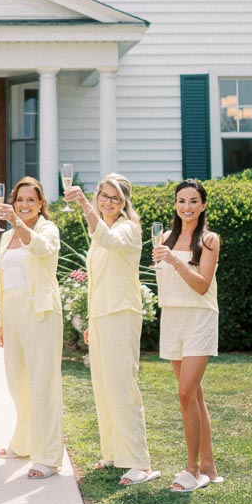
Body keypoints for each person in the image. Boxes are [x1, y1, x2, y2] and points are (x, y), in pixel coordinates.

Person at [66, 176, 158, 486]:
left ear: (124, 203)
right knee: (103, 385)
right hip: (103, 315)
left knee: (122, 385)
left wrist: (81, 205)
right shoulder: (101, 231)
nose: (107, 202)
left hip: (122, 313)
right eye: (102, 196)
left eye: (114, 198)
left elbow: (108, 240)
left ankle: (140, 462)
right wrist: (92, 321)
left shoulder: (129, 229)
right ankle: (114, 453)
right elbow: (98, 280)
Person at [152, 178, 223, 493]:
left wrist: (173, 261)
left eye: (193, 201)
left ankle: (192, 469)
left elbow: (202, 285)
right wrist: (163, 262)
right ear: (175, 205)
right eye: (182, 201)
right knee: (194, 395)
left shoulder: (209, 240)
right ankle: (209, 466)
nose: (187, 207)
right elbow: (164, 281)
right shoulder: (165, 238)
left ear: (203, 205)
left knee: (185, 393)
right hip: (173, 317)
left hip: (199, 318)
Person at [0, 177, 63, 479]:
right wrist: (0, 322)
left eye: (30, 200)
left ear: (40, 203)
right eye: (19, 199)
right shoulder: (4, 236)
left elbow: (42, 250)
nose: (23, 205)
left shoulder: (47, 229)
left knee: (41, 382)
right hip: (13, 313)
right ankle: (23, 442)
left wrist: (19, 225)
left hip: (40, 312)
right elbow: (2, 281)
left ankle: (47, 457)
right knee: (17, 381)